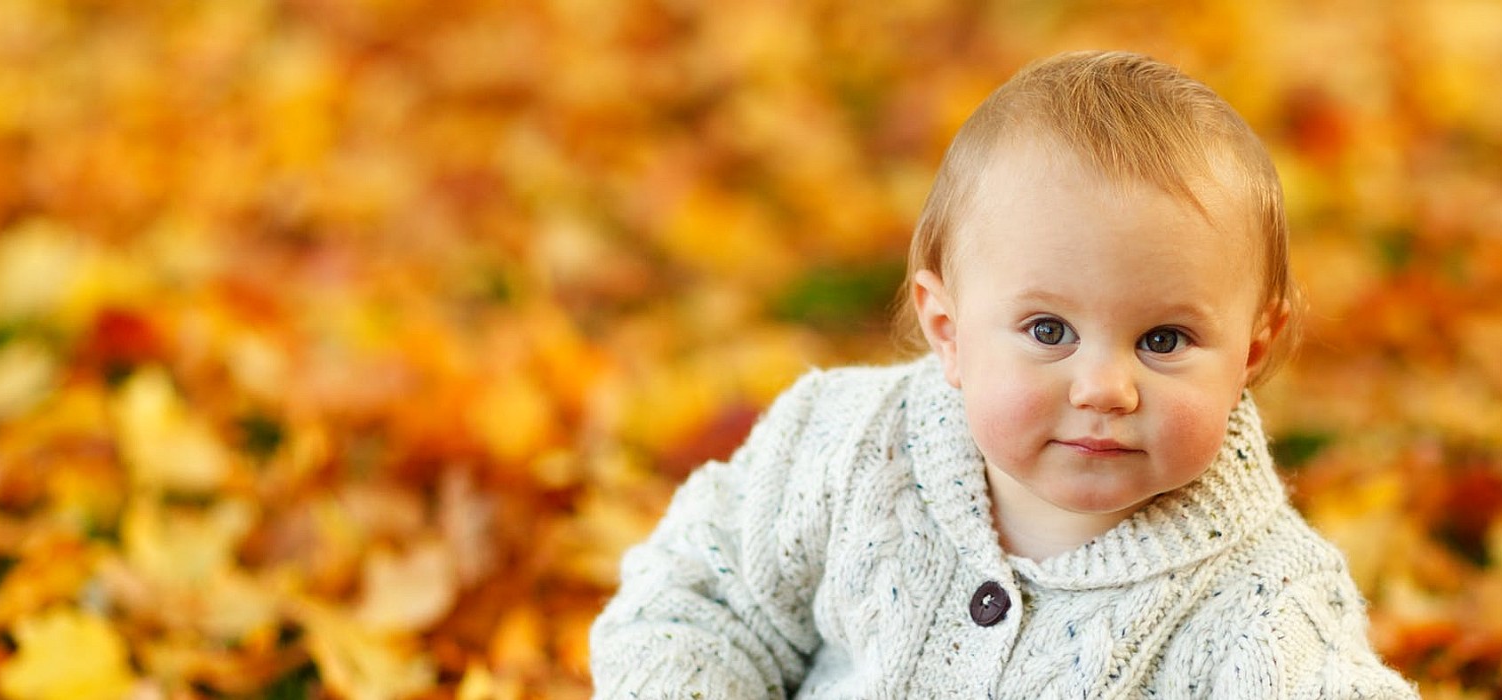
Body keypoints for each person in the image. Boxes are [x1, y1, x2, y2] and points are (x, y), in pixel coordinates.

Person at [589, 50, 1418, 698]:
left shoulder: (1265, 608)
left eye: (1163, 340)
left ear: (1252, 350)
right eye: (1049, 330)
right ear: (947, 330)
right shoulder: (843, 449)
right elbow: (700, 603)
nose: (1104, 387)